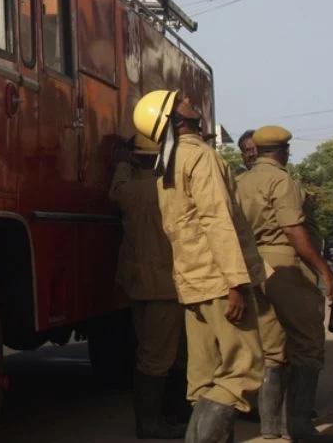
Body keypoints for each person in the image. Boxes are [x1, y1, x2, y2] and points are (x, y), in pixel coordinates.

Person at [133, 90, 265, 443]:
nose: (190, 101)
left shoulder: (167, 165)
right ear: (177, 121)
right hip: (221, 281)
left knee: (205, 377)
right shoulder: (201, 157)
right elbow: (216, 219)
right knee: (241, 370)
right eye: (182, 103)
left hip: (193, 284)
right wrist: (236, 282)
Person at [235, 126, 333, 443]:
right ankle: (301, 428)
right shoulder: (282, 181)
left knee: (271, 350)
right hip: (285, 267)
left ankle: (269, 427)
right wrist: (325, 271)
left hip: (253, 266)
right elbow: (293, 230)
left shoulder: (239, 182)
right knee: (308, 345)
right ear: (284, 150)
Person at [111, 134, 188, 439]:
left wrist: (121, 163)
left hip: (138, 284)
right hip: (164, 286)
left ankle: (160, 417)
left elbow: (116, 189)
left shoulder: (127, 189)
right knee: (160, 357)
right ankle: (152, 423)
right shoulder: (168, 190)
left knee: (149, 350)